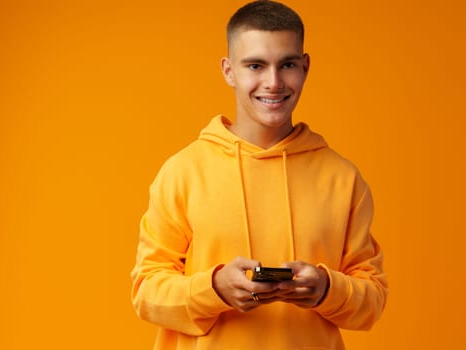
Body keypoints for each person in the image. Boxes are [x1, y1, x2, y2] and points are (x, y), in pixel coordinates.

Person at [130, 1, 388, 349]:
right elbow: (146, 293)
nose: (273, 82)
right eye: (255, 65)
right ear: (228, 71)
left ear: (305, 67)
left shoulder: (344, 179)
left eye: (288, 65)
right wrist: (215, 288)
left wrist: (327, 289)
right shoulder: (182, 172)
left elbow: (372, 300)